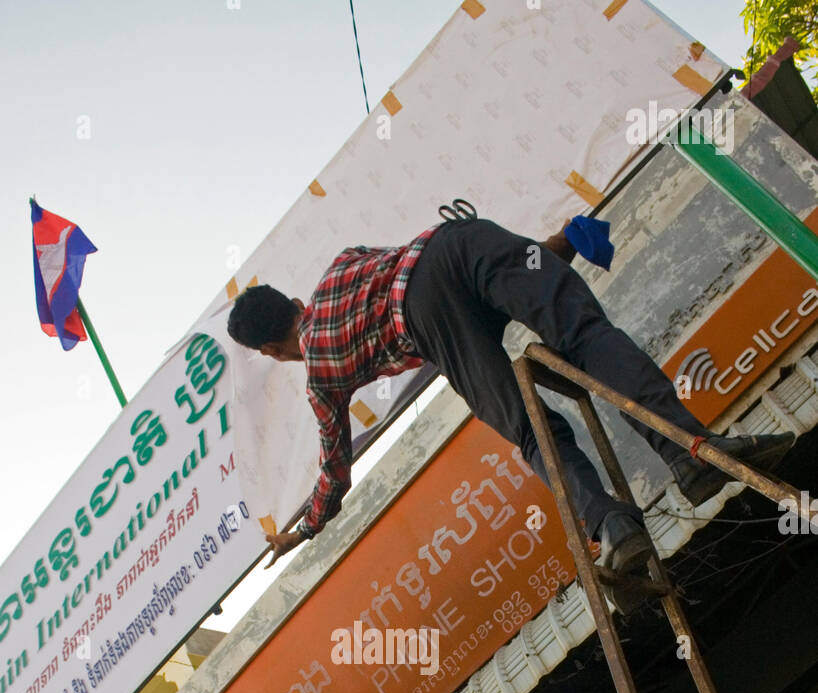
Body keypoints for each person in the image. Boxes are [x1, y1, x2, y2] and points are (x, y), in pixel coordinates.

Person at [226, 212, 794, 581]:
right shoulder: (340, 264)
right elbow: (434, 266)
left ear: (274, 350)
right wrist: (552, 251)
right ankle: (687, 450)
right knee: (584, 336)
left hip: (425, 317)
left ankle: (613, 528)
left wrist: (303, 530)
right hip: (457, 243)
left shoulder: (320, 379)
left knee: (529, 430)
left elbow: (334, 472)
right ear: (294, 299)